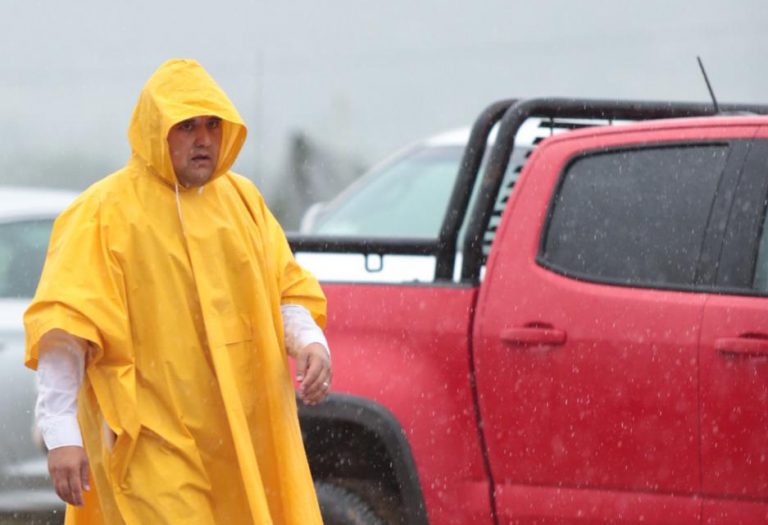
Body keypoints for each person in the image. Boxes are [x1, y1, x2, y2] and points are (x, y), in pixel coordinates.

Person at [24, 58, 332, 525]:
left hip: (240, 437)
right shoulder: (103, 213)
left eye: (212, 124)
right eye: (186, 126)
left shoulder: (243, 203)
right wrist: (62, 432)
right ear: (155, 129)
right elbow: (66, 330)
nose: (204, 138)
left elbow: (285, 288)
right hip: (150, 439)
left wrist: (310, 342)